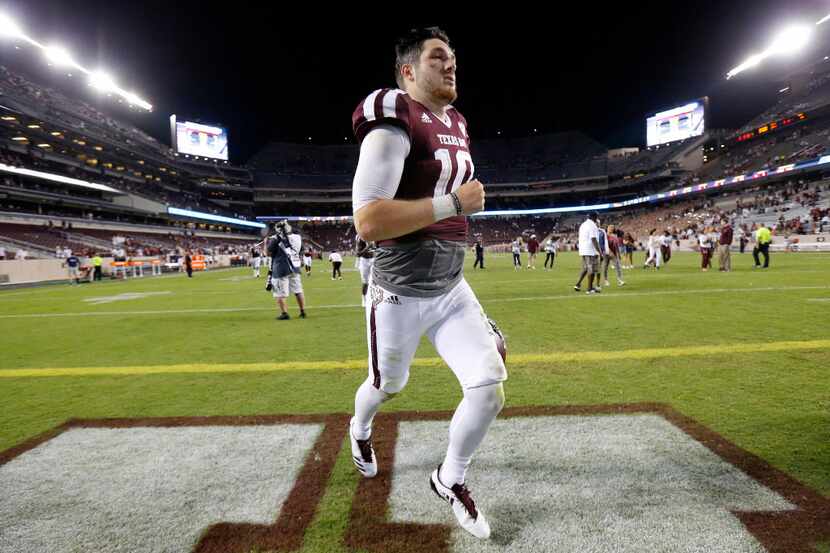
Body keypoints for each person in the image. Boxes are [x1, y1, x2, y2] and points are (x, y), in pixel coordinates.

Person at [347, 27, 506, 539]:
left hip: (452, 285)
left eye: (454, 58)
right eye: (438, 58)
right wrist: (454, 204)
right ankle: (360, 428)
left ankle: (449, 477)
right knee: (386, 385)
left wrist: (453, 214)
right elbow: (368, 221)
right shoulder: (394, 117)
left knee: (488, 387)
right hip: (398, 290)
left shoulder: (456, 121)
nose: (451, 65)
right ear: (408, 71)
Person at [266, 220, 307, 319]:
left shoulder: (275, 238)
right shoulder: (298, 237)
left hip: (281, 268)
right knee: (298, 290)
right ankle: (302, 311)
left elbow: (268, 253)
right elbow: (302, 250)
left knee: (280, 293)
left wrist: (265, 244)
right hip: (294, 266)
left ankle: (284, 313)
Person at [574, 212, 601, 293]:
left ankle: (578, 284)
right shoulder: (592, 225)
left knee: (586, 268)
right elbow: (593, 239)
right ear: (595, 217)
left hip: (583, 249)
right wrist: (600, 251)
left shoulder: (583, 224)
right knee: (591, 269)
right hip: (590, 250)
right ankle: (589, 288)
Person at [355, 238, 375, 306]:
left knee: (374, 281)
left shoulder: (375, 236)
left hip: (373, 259)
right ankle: (364, 298)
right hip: (364, 261)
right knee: (365, 282)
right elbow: (358, 254)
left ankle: (373, 298)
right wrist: (368, 246)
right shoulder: (360, 239)